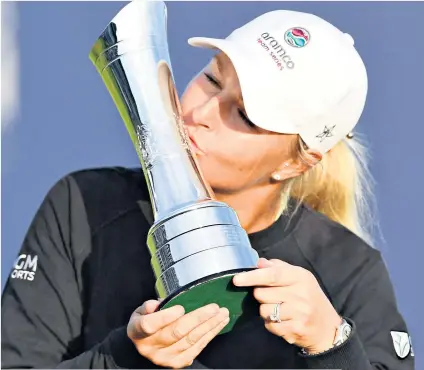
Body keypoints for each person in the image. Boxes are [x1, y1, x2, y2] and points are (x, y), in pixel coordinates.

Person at [1, 7, 414, 370]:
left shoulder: (348, 271)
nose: (200, 112)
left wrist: (331, 346)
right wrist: (124, 358)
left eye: (245, 115)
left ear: (296, 162)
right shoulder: (84, 206)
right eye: (213, 79)